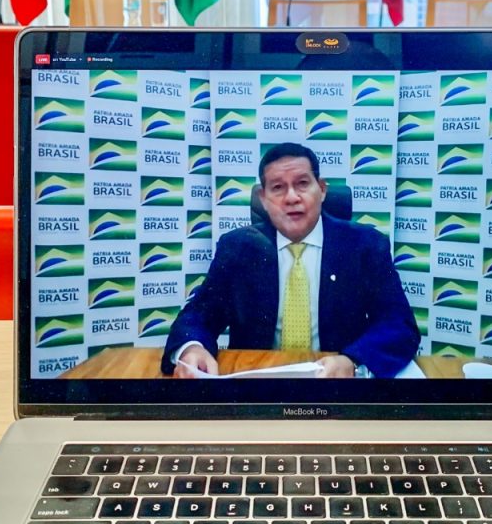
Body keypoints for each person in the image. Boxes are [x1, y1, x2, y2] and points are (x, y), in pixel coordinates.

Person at [161, 142, 419, 379]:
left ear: (322, 190)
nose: (292, 197)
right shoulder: (238, 248)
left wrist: (353, 361)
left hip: (337, 384)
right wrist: (191, 348)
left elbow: (398, 323)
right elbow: (199, 315)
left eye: (302, 183)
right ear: (263, 199)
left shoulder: (365, 245)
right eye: (278, 188)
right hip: (258, 383)